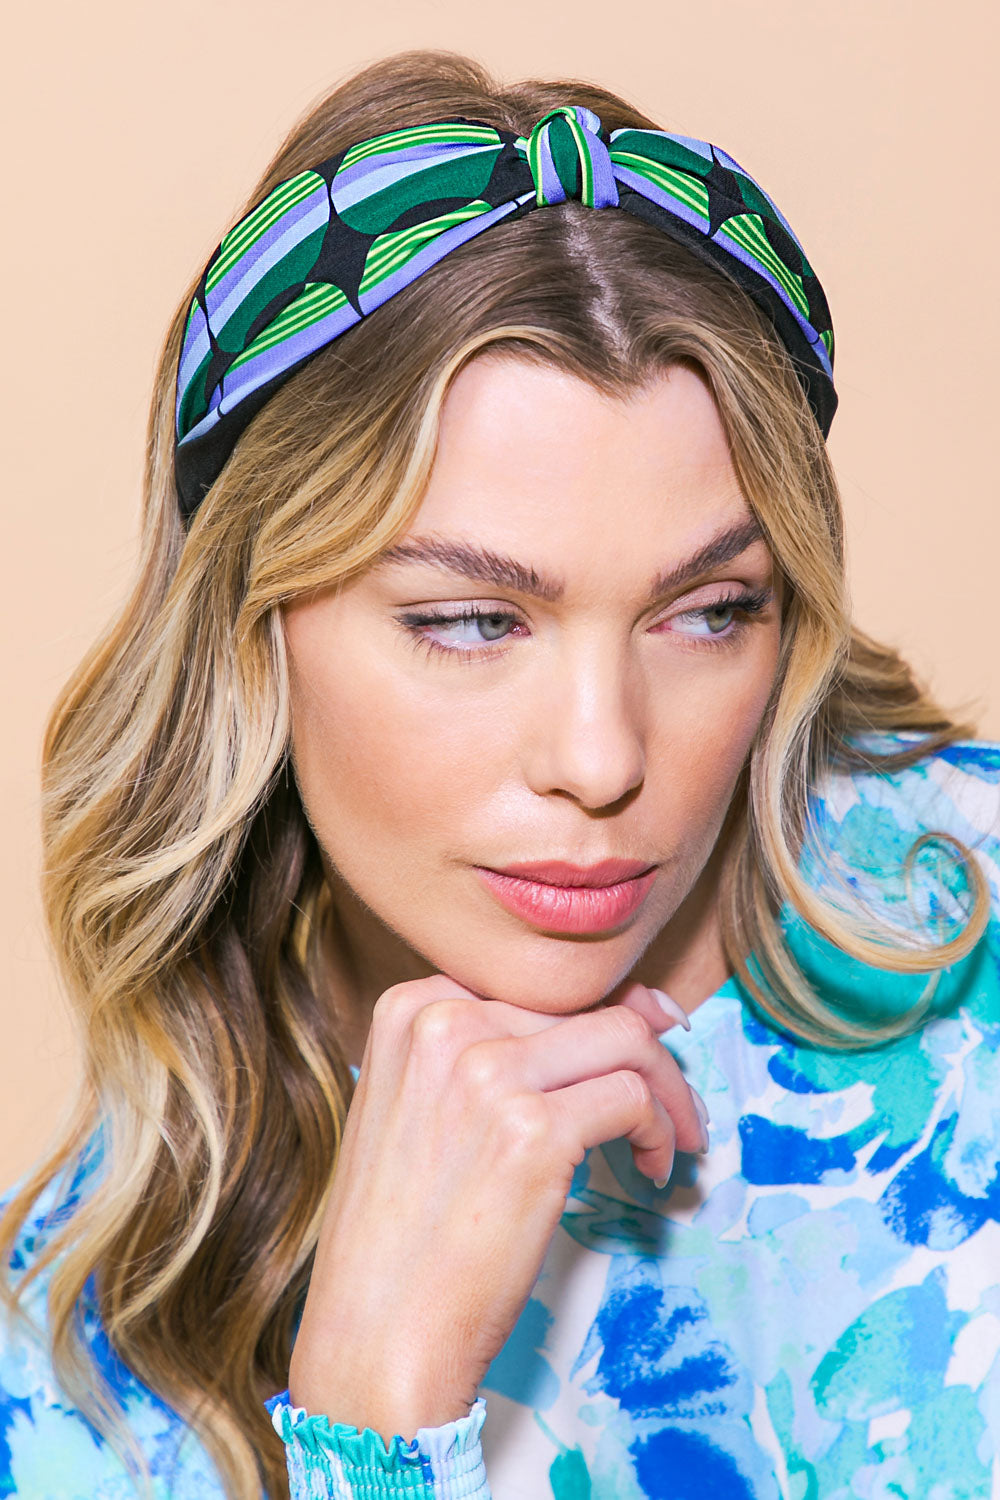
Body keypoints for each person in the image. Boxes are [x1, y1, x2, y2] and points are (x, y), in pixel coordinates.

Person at [1, 44, 998, 1500]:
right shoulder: (89, 1365)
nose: (603, 759)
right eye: (472, 622)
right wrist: (370, 1425)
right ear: (248, 631)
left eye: (710, 611)